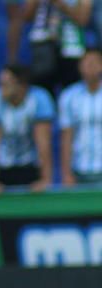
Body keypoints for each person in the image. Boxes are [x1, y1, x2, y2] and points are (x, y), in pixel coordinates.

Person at [0, 65, 56, 193]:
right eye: (0, 84)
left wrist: (45, 179)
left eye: (6, 84)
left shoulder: (40, 99)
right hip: (3, 167)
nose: (1, 89)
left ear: (22, 85)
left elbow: (43, 144)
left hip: (31, 165)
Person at [24, 0, 94, 95]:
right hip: (43, 44)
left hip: (71, 47)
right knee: (43, 89)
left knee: (71, 89)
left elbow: (83, 20)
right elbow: (26, 16)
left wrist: (61, 4)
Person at [59, 49, 102, 186]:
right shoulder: (69, 96)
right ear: (79, 66)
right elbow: (66, 137)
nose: (90, 66)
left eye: (94, 62)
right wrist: (66, 173)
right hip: (79, 170)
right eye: (86, 62)